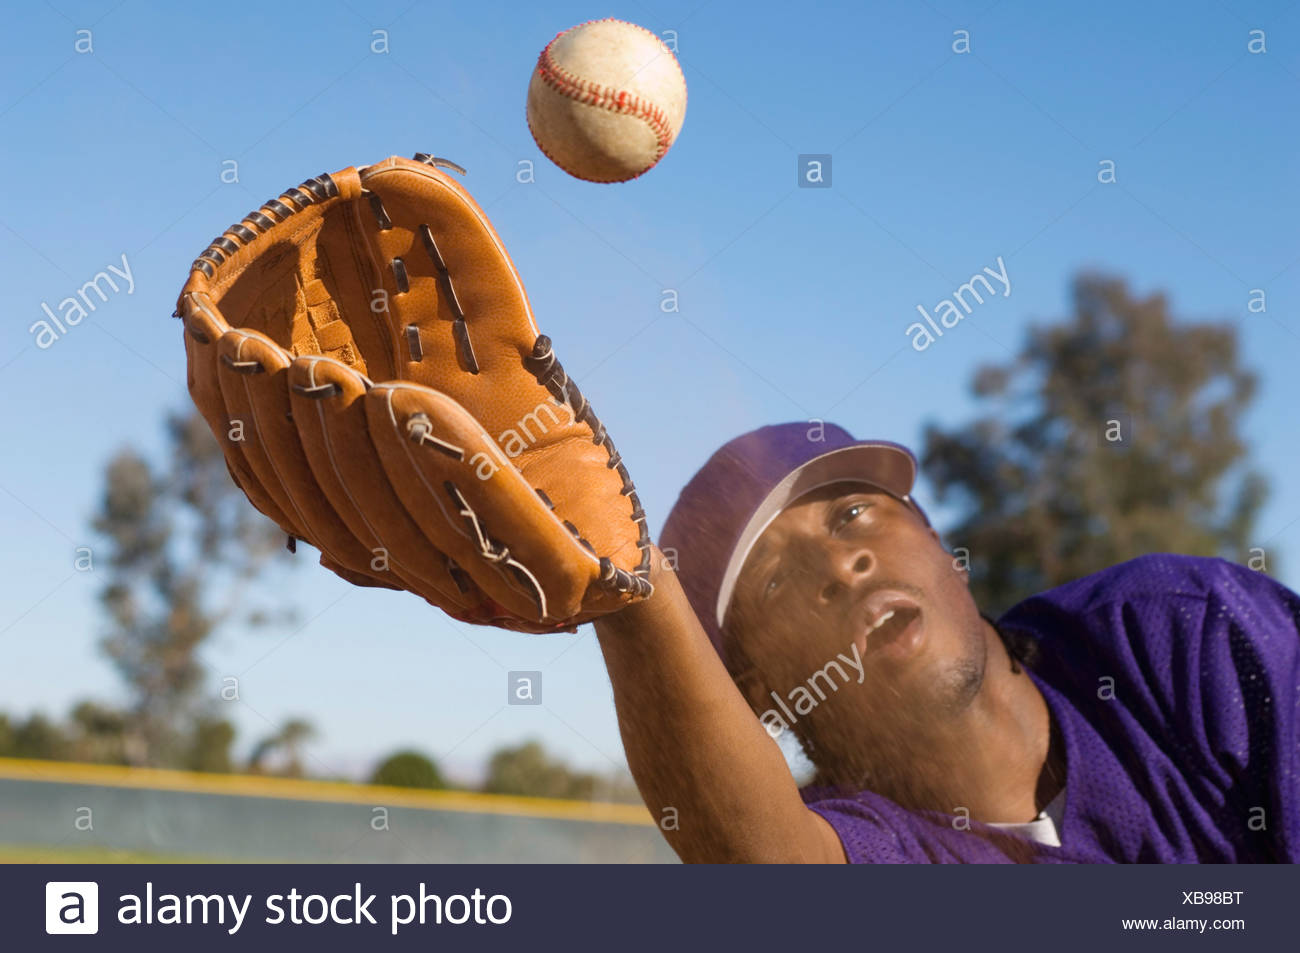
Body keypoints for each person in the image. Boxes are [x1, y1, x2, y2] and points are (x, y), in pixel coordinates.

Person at [592, 421, 1299, 863]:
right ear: (759, 696)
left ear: (933, 536)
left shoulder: (1178, 632)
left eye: (854, 513)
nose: (840, 566)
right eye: (776, 582)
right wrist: (626, 594)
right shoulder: (878, 844)